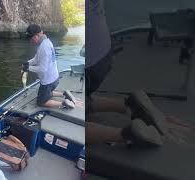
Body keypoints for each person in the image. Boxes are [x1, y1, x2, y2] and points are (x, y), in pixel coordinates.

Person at [86, 0, 163, 147]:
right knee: (84, 97)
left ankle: (127, 134)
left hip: (90, 63)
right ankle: (129, 105)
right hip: (104, 52)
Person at [22, 24, 77, 109]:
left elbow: (42, 69)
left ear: (39, 34)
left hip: (48, 82)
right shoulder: (46, 42)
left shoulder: (44, 47)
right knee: (46, 93)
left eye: (31, 38)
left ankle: (64, 103)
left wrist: (28, 68)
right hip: (54, 78)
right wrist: (28, 63)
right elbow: (37, 58)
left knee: (41, 102)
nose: (30, 41)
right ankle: (64, 93)